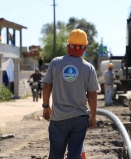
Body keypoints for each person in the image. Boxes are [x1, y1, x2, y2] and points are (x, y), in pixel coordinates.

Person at [42, 29, 99, 159]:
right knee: (74, 154)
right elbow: (92, 95)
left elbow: (46, 86)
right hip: (80, 119)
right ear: (84, 47)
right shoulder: (88, 68)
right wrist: (93, 116)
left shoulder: (56, 62)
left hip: (59, 118)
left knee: (56, 155)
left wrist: (45, 106)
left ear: (69, 45)